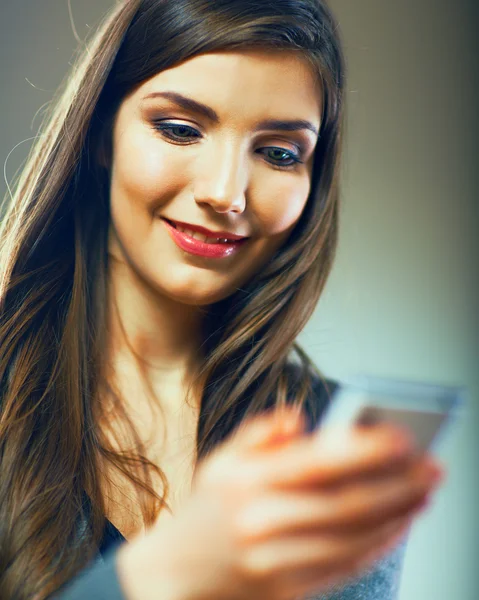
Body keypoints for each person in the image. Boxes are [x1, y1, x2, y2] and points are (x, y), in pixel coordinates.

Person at [0, 1, 445, 599]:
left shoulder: (328, 446)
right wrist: (168, 574)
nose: (226, 193)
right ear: (101, 131)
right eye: (180, 130)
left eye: (279, 153)